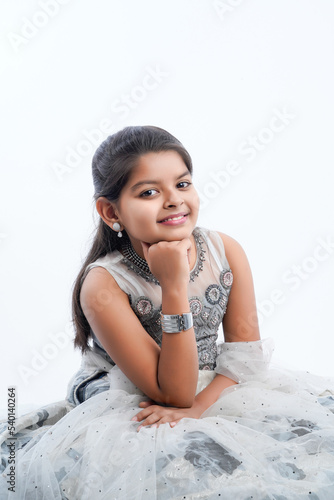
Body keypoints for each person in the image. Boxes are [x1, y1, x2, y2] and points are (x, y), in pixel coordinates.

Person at [1, 126, 334, 499]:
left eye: (183, 184)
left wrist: (200, 408)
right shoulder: (104, 285)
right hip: (144, 397)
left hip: (221, 387)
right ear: (111, 210)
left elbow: (246, 357)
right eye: (149, 192)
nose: (174, 200)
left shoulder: (225, 250)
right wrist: (173, 287)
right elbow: (173, 395)